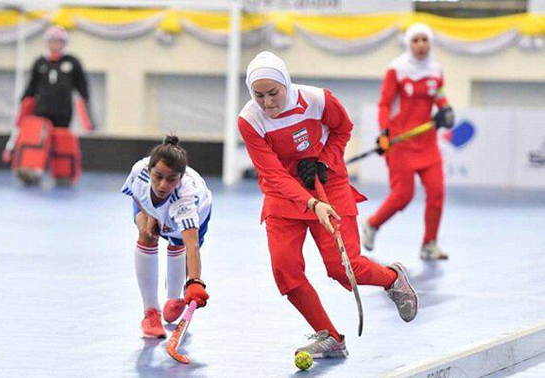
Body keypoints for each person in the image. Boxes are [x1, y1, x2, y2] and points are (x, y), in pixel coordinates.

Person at [238, 51, 419, 359]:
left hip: (328, 184)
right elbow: (273, 173)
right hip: (283, 195)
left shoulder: (318, 100)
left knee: (344, 268)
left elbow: (342, 129)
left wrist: (324, 160)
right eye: (259, 95)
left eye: (273, 93)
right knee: (285, 271)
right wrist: (311, 202)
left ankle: (392, 278)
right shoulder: (250, 120)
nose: (267, 102)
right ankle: (331, 337)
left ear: (286, 83)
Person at [361, 23, 455, 261]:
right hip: (399, 143)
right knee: (403, 195)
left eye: (425, 40)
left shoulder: (436, 69)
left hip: (428, 143)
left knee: (437, 192)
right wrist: (383, 133)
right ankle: (372, 224)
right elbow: (384, 104)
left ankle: (429, 245)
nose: (421, 45)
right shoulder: (397, 69)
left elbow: (441, 97)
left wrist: (446, 111)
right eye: (416, 40)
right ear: (409, 43)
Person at [121, 136, 211, 338]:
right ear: (149, 170)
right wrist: (151, 214)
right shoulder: (139, 172)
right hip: (149, 207)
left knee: (178, 244)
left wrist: (195, 282)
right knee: (146, 233)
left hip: (199, 212)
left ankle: (175, 297)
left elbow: (192, 246)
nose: (162, 185)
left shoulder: (186, 199)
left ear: (180, 178)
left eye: (171, 179)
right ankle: (150, 312)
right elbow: (136, 195)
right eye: (158, 176)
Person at [2, 25, 94, 186]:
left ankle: (62, 175)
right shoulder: (40, 62)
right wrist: (25, 102)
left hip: (64, 110)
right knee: (37, 141)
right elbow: (32, 85)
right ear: (47, 43)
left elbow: (82, 84)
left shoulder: (72, 62)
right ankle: (30, 171)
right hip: (42, 109)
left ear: (64, 43)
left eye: (59, 41)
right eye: (52, 41)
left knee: (61, 141)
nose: (56, 44)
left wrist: (86, 102)